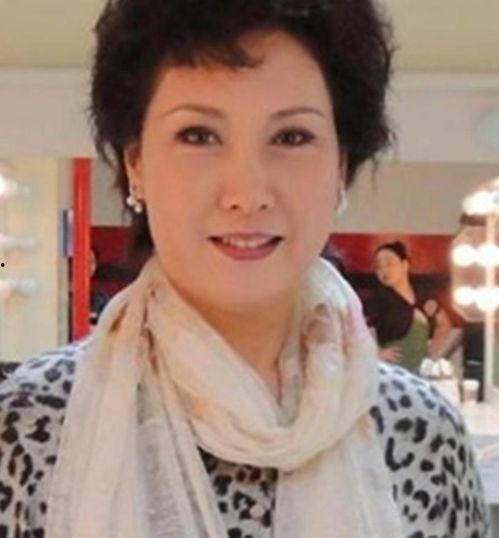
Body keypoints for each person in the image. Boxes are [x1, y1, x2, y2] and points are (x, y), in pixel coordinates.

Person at [0, 1, 490, 537]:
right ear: (136, 163)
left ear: (341, 166)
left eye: (291, 137)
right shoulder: (29, 423)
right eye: (199, 135)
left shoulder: (421, 431)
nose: (247, 192)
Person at [365, 240, 453, 372]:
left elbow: (444, 324)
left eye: (389, 264)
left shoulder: (423, 294)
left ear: (405, 265)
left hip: (420, 369)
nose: (384, 270)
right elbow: (356, 328)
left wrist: (431, 353)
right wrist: (377, 353)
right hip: (391, 370)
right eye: (379, 267)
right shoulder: (378, 299)